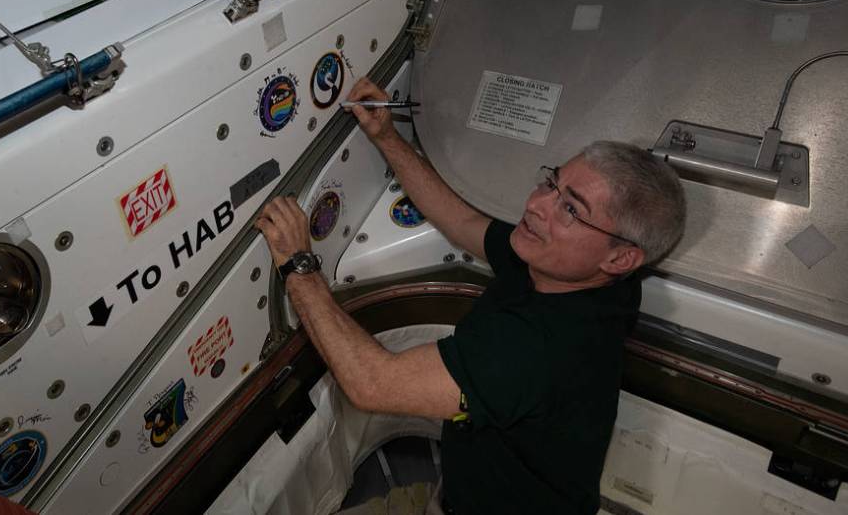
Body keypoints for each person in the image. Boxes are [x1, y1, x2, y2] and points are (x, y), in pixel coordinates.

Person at [254, 77, 686, 515]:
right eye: (552, 183)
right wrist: (387, 136)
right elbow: (462, 221)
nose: (537, 205)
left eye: (572, 210)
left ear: (621, 258)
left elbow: (373, 384)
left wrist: (299, 267)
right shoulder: (577, 273)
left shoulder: (540, 348)